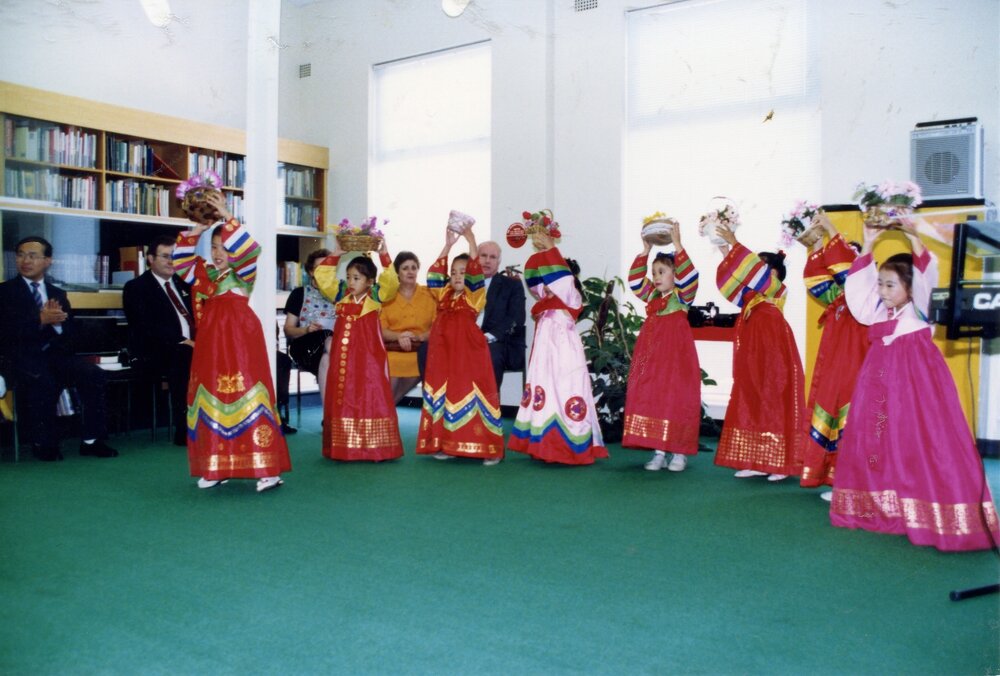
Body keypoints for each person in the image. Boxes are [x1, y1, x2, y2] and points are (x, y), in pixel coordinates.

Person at [830, 221, 999, 550]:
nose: (882, 291)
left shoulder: (919, 309)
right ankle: (881, 505)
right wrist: (868, 243)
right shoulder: (877, 311)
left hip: (916, 386)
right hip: (878, 384)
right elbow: (858, 293)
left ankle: (931, 509)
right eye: (880, 284)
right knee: (877, 439)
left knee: (920, 441)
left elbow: (925, 269)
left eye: (890, 285)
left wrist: (911, 234)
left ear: (910, 287)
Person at [173, 185, 290, 492]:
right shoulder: (207, 276)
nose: (218, 254)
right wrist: (195, 230)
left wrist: (227, 217)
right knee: (211, 396)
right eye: (213, 248)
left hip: (240, 343)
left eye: (224, 248)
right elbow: (181, 265)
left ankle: (267, 469)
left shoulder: (243, 274)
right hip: (211, 345)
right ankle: (216, 466)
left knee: (248, 393)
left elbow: (250, 249)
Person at [0, 236, 118, 461]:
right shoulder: (5, 293)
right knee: (43, 379)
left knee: (93, 375)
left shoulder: (57, 293)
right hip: (20, 358)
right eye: (21, 255)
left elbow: (72, 334)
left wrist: (58, 325)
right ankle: (43, 442)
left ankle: (92, 440)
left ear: (48, 261)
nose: (26, 260)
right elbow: (5, 333)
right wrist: (39, 320)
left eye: (33, 256)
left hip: (55, 354)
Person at [508, 210, 607, 465]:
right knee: (544, 386)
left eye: (555, 275)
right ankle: (543, 444)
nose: (550, 282)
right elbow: (536, 280)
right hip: (545, 348)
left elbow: (562, 281)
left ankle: (569, 445)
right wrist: (542, 252)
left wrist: (550, 248)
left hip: (564, 348)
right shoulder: (545, 301)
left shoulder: (571, 296)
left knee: (566, 386)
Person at [712, 225, 805, 481]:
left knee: (773, 398)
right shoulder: (751, 299)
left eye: (760, 268)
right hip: (753, 350)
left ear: (772, 273)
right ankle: (755, 459)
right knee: (752, 396)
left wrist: (735, 242)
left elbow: (753, 274)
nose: (752, 275)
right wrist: (725, 253)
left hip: (773, 351)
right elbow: (736, 281)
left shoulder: (776, 290)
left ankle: (778, 463)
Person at [416, 226, 504, 465]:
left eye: (462, 272)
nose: (457, 276)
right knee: (447, 395)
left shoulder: (474, 294)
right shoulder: (444, 294)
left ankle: (489, 449)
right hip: (444, 353)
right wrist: (448, 245)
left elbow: (475, 271)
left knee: (473, 394)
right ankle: (447, 444)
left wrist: (471, 238)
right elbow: (434, 274)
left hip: (469, 354)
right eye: (453, 272)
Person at [313, 239, 404, 462]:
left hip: (368, 357)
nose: (351, 282)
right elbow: (322, 277)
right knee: (344, 395)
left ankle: (375, 447)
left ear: (370, 282)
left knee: (371, 394)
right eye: (349, 277)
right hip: (344, 358)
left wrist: (384, 254)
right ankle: (345, 447)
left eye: (357, 278)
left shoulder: (375, 297)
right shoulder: (342, 295)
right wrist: (336, 252)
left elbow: (391, 283)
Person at [798, 214, 868, 499]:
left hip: (857, 369)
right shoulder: (838, 299)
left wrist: (830, 229)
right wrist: (815, 245)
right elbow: (816, 280)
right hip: (835, 371)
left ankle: (852, 482)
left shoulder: (864, 298)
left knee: (850, 423)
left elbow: (847, 271)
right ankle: (834, 477)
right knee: (828, 417)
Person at [623, 221, 701, 472]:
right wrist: (645, 252)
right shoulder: (652, 296)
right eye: (654, 272)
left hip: (676, 355)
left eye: (662, 271)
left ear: (675, 275)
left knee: (676, 396)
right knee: (652, 395)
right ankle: (658, 450)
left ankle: (678, 452)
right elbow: (635, 281)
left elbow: (691, 278)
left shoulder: (682, 296)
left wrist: (677, 244)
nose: (656, 277)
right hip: (651, 352)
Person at [123, 233, 195, 447]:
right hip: (156, 350)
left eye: (175, 256)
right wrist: (183, 341)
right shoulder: (136, 287)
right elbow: (145, 326)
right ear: (150, 259)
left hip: (191, 347)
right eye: (165, 256)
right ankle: (185, 429)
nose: (171, 261)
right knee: (185, 355)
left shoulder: (185, 284)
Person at [282, 247, 335, 422]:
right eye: (320, 268)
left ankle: (329, 416)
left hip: (331, 349)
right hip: (305, 345)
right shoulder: (299, 293)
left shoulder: (340, 293)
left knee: (329, 356)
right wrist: (306, 329)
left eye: (329, 267)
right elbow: (288, 329)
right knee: (329, 338)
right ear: (311, 272)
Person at [380, 251, 436, 403]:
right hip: (393, 351)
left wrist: (419, 337)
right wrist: (399, 336)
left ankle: (385, 413)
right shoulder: (387, 297)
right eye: (405, 268)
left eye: (414, 267)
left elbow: (438, 328)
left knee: (423, 363)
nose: (410, 271)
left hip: (419, 351)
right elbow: (381, 330)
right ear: (397, 272)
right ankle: (386, 414)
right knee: (390, 371)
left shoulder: (430, 294)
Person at [476, 240, 527, 390]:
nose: (487, 261)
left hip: (498, 342)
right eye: (483, 256)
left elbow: (516, 318)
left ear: (499, 262)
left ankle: (488, 407)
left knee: (491, 355)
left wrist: (487, 337)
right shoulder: (465, 284)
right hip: (468, 339)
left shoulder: (512, 285)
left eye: (492, 257)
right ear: (476, 258)